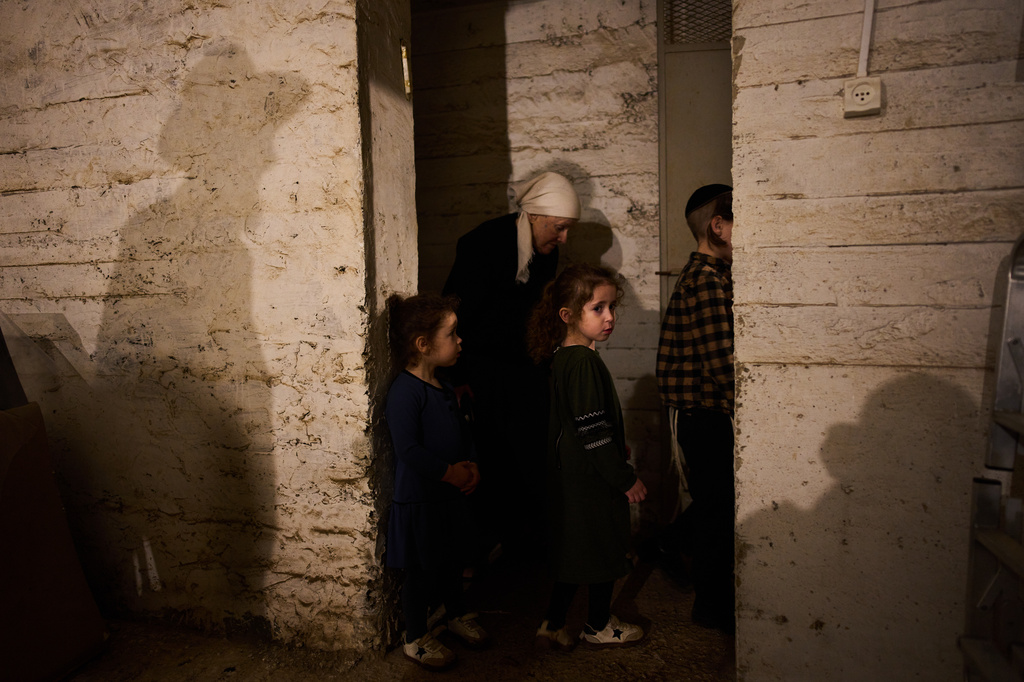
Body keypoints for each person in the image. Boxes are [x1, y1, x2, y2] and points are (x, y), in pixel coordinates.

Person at [443, 171, 581, 562]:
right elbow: (458, 312)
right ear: (535, 216)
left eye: (568, 229)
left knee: (533, 454)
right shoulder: (484, 244)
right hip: (484, 371)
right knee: (495, 457)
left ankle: (528, 544)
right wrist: (457, 378)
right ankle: (495, 544)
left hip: (525, 369)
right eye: (559, 228)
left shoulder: (546, 254)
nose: (564, 239)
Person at [526, 264, 648, 650]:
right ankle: (597, 625)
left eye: (612, 307)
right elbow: (593, 432)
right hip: (589, 478)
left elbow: (585, 425)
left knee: (576, 549)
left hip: (575, 473)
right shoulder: (580, 361)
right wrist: (624, 477)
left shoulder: (567, 356)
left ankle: (552, 622)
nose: (609, 317)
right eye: (598, 308)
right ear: (568, 315)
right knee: (602, 549)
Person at [384, 293, 490, 671]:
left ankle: (453, 613)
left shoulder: (443, 388)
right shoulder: (405, 392)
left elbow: (464, 435)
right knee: (421, 572)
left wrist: (473, 465)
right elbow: (408, 449)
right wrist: (451, 473)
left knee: (451, 560)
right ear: (423, 345)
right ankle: (415, 638)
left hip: (448, 497)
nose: (461, 341)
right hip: (421, 500)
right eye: (453, 334)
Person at [655, 184, 736, 633]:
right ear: (717, 227)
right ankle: (710, 603)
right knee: (717, 510)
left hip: (704, 410)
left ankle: (669, 543)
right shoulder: (705, 281)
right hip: (700, 413)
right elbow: (722, 364)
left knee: (715, 502)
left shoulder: (715, 275)